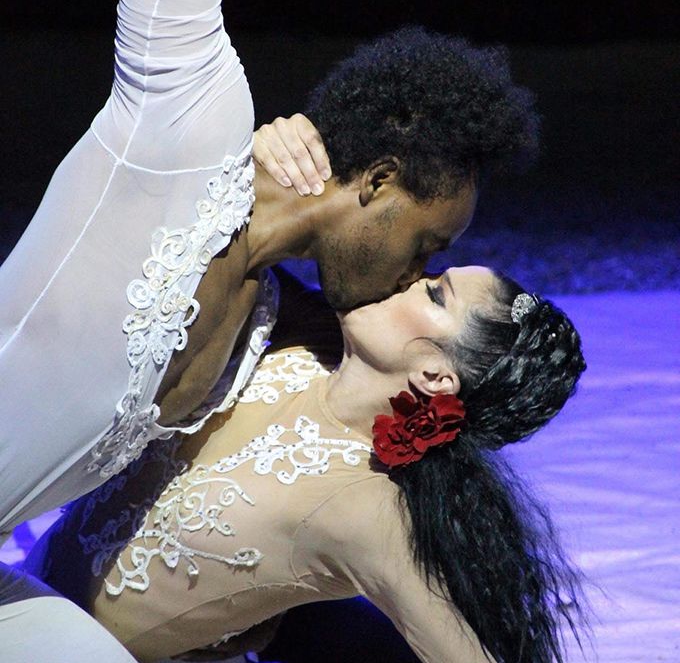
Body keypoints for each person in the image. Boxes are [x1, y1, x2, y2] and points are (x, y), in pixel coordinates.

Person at [25, 266, 588, 663]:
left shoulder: (372, 510)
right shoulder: (295, 344)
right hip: (21, 592)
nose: (407, 277)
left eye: (434, 294)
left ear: (436, 377)